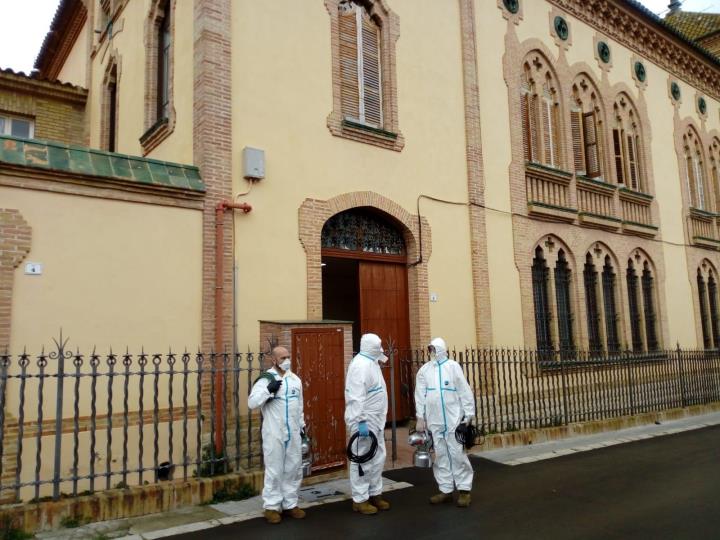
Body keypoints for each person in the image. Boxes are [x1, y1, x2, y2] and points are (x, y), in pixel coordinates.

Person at [248, 346, 306, 524]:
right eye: (282, 358)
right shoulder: (266, 380)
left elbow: (300, 406)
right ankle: (272, 507)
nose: (286, 360)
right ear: (273, 360)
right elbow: (252, 403)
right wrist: (268, 391)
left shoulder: (295, 380)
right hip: (274, 432)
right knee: (274, 470)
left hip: (294, 432)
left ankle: (290, 504)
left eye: (288, 357)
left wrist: (302, 427)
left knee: (293, 468)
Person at [414, 337, 475, 507]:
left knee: (457, 454)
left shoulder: (453, 367)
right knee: (440, 455)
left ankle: (464, 491)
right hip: (435, 421)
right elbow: (420, 394)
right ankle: (446, 490)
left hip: (453, 420)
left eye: (434, 349)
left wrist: (468, 415)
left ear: (441, 349)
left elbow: (464, 391)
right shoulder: (425, 370)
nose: (432, 352)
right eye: (430, 349)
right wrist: (420, 416)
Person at [344, 333, 391, 515]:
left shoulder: (371, 361)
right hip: (363, 421)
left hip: (376, 420)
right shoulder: (360, 366)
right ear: (371, 347)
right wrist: (361, 421)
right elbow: (355, 397)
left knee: (378, 457)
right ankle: (360, 499)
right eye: (378, 346)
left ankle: (375, 493)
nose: (381, 349)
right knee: (362, 459)